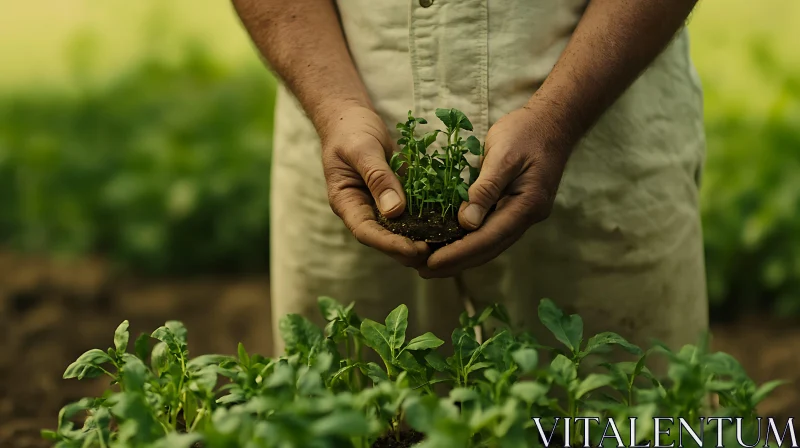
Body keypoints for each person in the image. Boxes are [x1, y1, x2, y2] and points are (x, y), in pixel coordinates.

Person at [231, 0, 709, 363]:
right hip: (338, 118)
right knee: (352, 406)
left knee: (617, 404)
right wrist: (333, 105)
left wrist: (560, 118)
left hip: (603, 110)